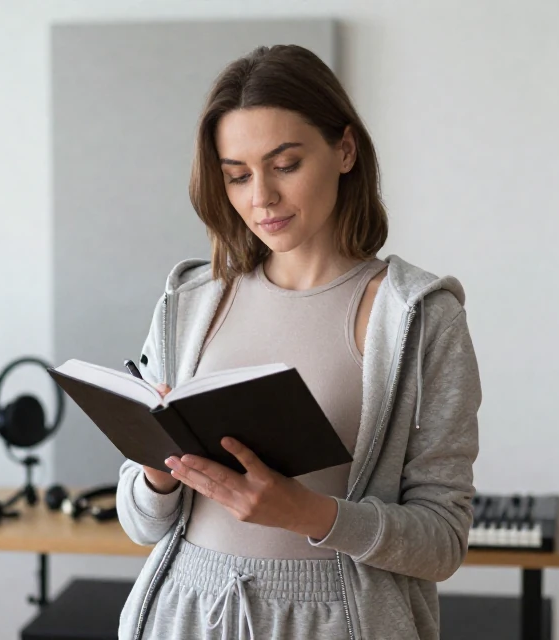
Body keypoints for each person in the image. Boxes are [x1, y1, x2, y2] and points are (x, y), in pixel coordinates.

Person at [116, 43, 481, 640]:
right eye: (237, 175)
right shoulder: (188, 301)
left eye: (285, 165)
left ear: (344, 149)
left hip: (337, 621)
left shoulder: (421, 316)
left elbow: (442, 542)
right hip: (183, 614)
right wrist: (161, 473)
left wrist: (308, 514)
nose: (261, 198)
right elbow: (139, 523)